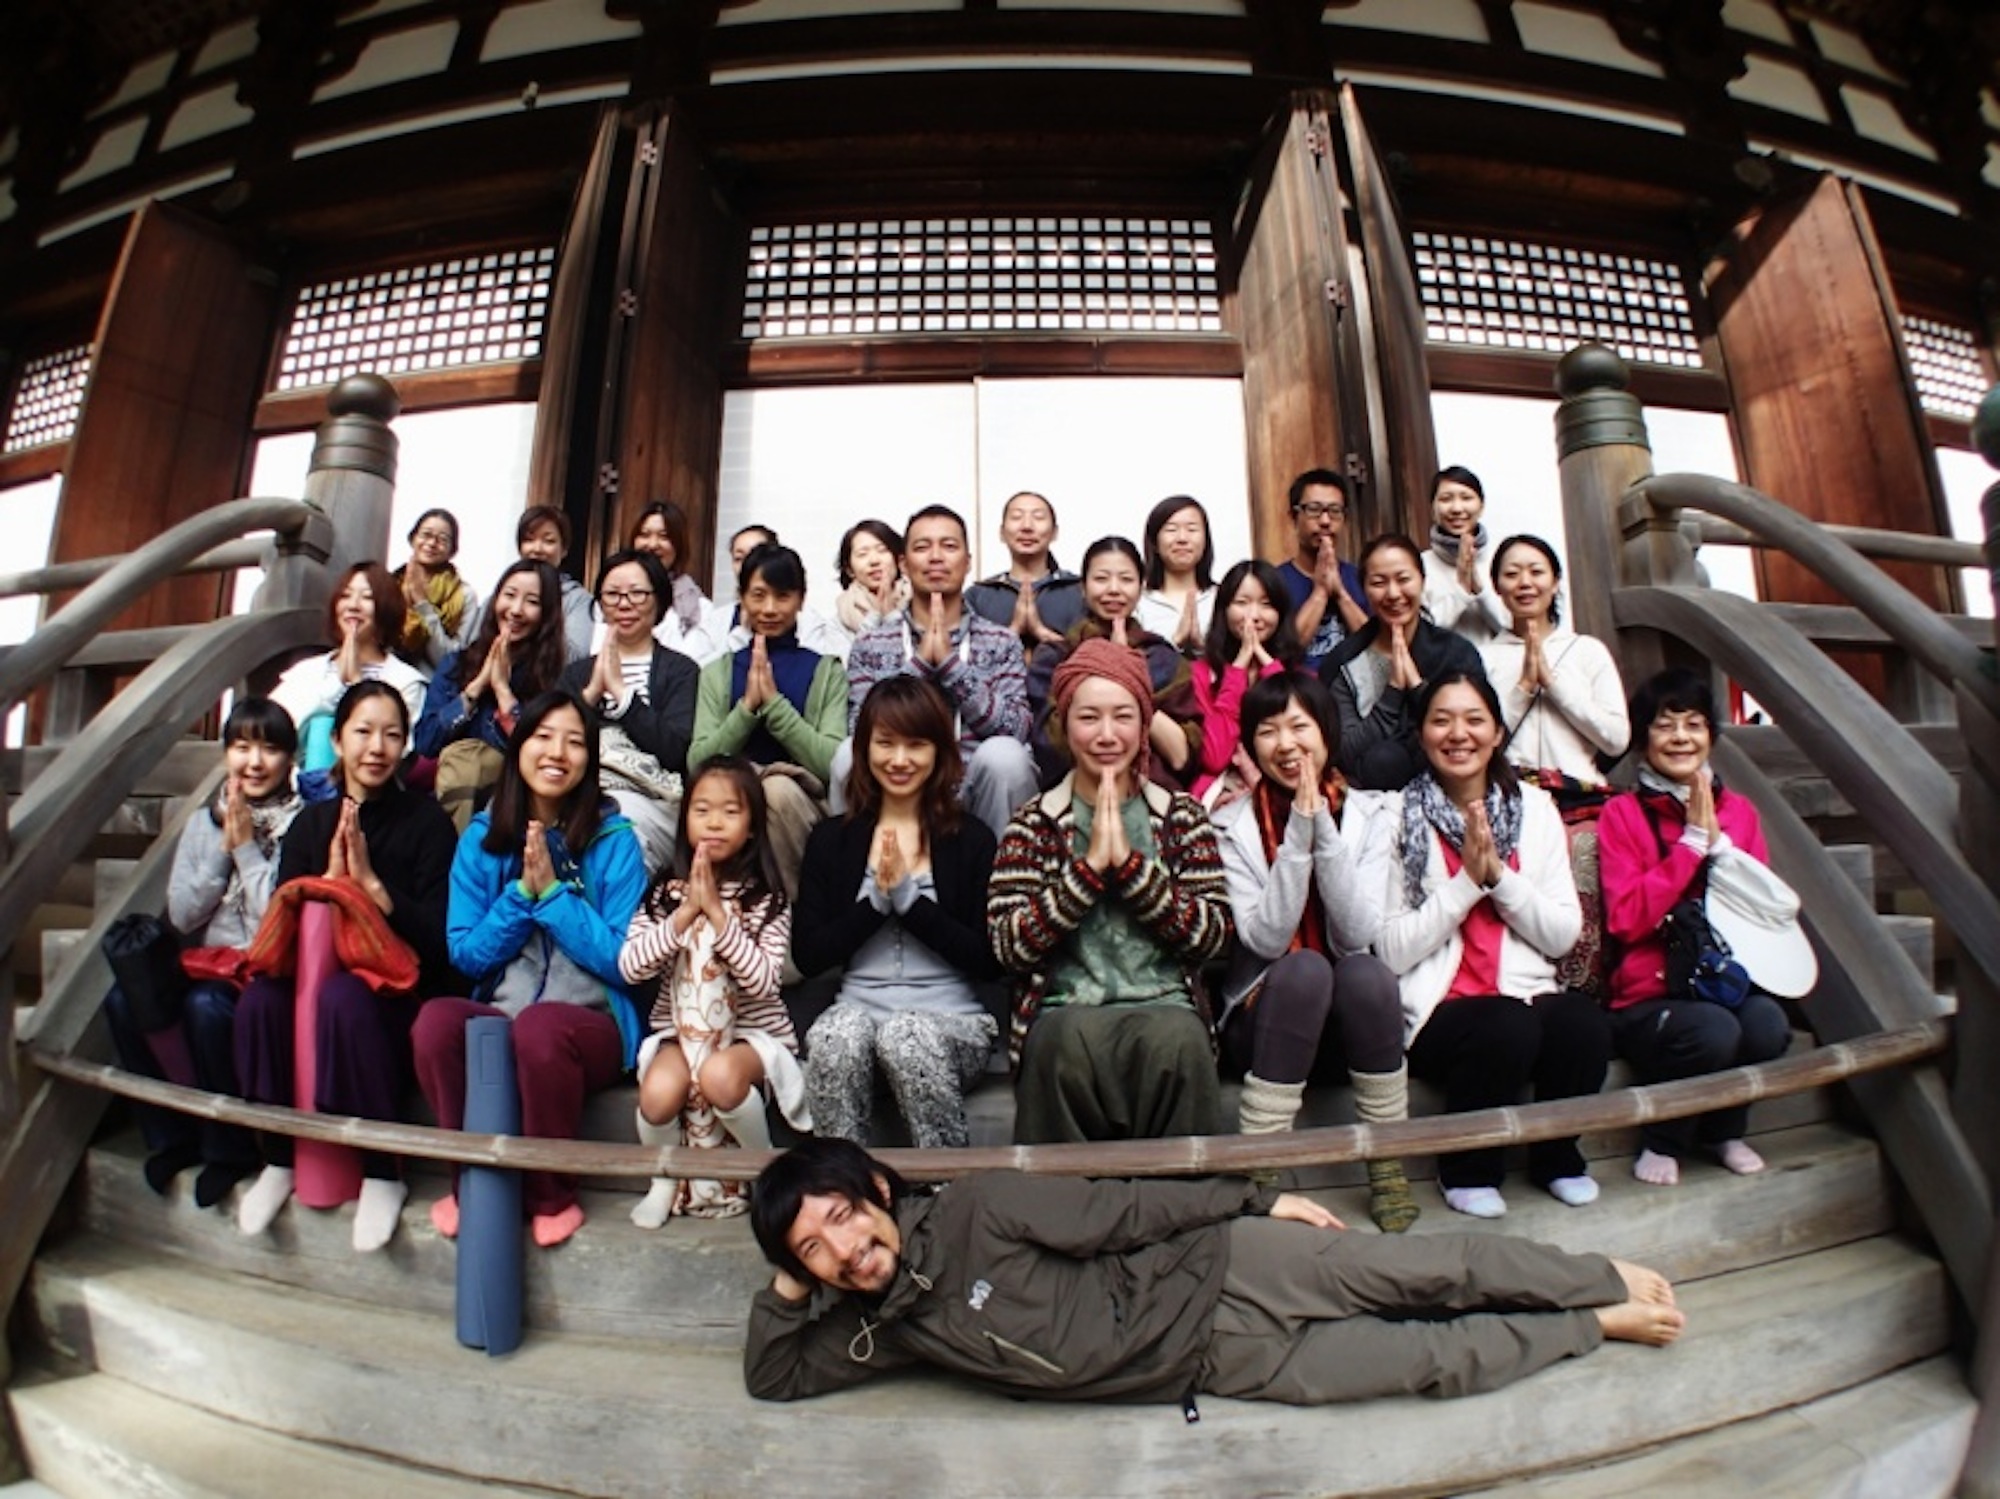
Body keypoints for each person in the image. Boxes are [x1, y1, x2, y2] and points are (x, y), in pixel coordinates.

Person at [743, 1139, 1684, 1405]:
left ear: (877, 1188)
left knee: (1424, 1271)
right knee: (1423, 1363)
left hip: (1233, 1268)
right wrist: (791, 1273)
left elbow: (1121, 1209)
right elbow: (774, 1375)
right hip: (1214, 1364)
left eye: (841, 1217)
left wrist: (1253, 1202)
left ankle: (1593, 1275)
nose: (844, 1251)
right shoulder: (884, 1329)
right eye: (816, 1251)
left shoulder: (978, 1208)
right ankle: (1588, 1324)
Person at [416, 689, 647, 1249]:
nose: (557, 753)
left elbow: (624, 960)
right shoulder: (481, 839)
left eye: (574, 742)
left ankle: (551, 1194)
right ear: (519, 747)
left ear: (590, 758)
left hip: (589, 1023)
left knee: (540, 1030)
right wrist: (522, 895)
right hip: (505, 1011)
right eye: (543, 737)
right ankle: (471, 1182)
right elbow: (465, 952)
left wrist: (554, 898)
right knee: (436, 1023)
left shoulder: (617, 842)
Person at [233, 681, 460, 1252]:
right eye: (363, 732)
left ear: (406, 745)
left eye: (391, 734)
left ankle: (383, 1167)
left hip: (396, 993)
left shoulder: (428, 823)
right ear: (336, 741)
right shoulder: (311, 825)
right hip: (312, 981)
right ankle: (279, 1155)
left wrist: (373, 891)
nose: (376, 747)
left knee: (346, 998)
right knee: (259, 1001)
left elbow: (441, 941)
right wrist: (330, 886)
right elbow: (283, 924)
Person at [1376, 671, 1606, 1221]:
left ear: (1498, 733)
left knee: (1582, 1023)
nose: (1459, 734)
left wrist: (1499, 878)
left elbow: (1561, 935)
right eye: (1441, 720)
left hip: (1525, 993)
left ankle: (1556, 1157)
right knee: (1505, 1026)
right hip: (1438, 1009)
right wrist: (1465, 885)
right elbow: (1390, 950)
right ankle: (1467, 1169)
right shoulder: (1394, 814)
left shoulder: (1536, 810)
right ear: (1421, 733)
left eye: (1474, 720)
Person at [991, 639, 1231, 1144]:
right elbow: (1009, 947)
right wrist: (1088, 872)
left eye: (1123, 717)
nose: (1106, 734)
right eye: (1088, 717)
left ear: (1144, 725)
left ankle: (1182, 1192)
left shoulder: (1181, 817)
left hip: (1166, 1005)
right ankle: (1071, 1195)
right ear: (1063, 725)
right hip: (1064, 1010)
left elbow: (1213, 939)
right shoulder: (1033, 824)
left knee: (1179, 1040)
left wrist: (1133, 870)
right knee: (1060, 1042)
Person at [1212, 673, 1416, 1232]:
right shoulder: (1229, 825)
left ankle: (1388, 1162)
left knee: (1365, 973)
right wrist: (1299, 837)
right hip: (1265, 1024)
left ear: (1326, 733)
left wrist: (1320, 826)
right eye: (1268, 731)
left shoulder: (1374, 814)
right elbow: (1266, 940)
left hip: (1352, 1031)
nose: (1286, 744)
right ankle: (1261, 1169)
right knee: (1303, 968)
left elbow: (1355, 932)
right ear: (1251, 744)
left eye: (1299, 727)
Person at [1598, 668, 1794, 1187]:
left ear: (1711, 734)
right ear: (1643, 738)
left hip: (1721, 979)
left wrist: (1721, 849)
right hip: (1649, 993)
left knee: (1768, 1024)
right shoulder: (1622, 814)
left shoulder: (1739, 813)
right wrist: (1688, 847)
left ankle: (1723, 1131)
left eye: (1694, 724)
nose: (1681, 737)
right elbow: (1625, 919)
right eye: (1664, 726)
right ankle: (1663, 1140)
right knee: (1713, 1029)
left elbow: (1760, 909)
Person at [102, 698, 302, 1206]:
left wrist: (246, 847)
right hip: (206, 962)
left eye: (269, 749)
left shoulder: (301, 822)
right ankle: (170, 1137)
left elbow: (274, 916)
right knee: (123, 1000)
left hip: (262, 967)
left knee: (206, 1008)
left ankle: (229, 1148)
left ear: (290, 758)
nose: (254, 761)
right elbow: (184, 914)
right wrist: (221, 848)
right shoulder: (202, 823)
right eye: (241, 747)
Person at [793, 676, 1001, 1149]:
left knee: (906, 1034)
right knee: (834, 1037)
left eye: (916, 745)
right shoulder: (833, 839)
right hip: (859, 1018)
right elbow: (808, 955)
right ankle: (841, 1179)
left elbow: (990, 960)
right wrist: (876, 904)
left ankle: (944, 1181)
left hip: (952, 1025)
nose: (900, 760)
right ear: (865, 748)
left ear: (940, 752)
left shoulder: (970, 838)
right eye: (885, 743)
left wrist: (910, 902)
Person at [619, 756, 805, 1226]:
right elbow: (631, 967)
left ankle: (763, 1172)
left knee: (719, 1077)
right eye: (702, 810)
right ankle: (664, 1179)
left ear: (753, 827)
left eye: (730, 811)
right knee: (658, 1092)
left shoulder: (767, 900)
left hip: (752, 1036)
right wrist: (685, 915)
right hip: (681, 1033)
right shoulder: (664, 895)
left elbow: (763, 980)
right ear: (685, 820)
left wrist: (719, 918)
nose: (714, 822)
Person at [1479, 534, 1629, 996]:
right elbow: (1479, 741)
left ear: (1556, 580)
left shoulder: (1587, 651)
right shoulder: (1485, 657)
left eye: (1536, 571)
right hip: (1517, 800)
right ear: (1497, 587)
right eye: (1512, 574)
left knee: (1586, 902)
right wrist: (1523, 688)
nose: (1525, 582)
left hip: (1583, 800)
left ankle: (1588, 1003)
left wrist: (1557, 685)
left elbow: (1616, 737)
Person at [840, 505, 1038, 838]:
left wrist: (952, 667)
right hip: (894, 784)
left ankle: (1006, 870)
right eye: (922, 547)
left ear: (968, 561)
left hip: (974, 790)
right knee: (845, 757)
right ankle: (859, 866)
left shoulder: (1001, 641)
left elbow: (1017, 730)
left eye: (948, 546)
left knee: (1006, 757)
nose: (935, 557)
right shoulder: (872, 643)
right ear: (903, 564)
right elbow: (861, 732)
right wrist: (918, 665)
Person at [690, 543, 847, 899]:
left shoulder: (826, 671)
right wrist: (747, 708)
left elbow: (831, 762)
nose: (770, 608)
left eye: (783, 596)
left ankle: (788, 913)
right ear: (742, 598)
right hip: (727, 800)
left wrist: (775, 706)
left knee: (774, 791)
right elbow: (698, 760)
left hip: (799, 803)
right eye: (758, 595)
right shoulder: (718, 672)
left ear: (801, 599)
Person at [558, 548, 699, 877]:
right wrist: (590, 695)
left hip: (648, 796)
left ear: (659, 600)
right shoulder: (577, 673)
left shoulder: (681, 671)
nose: (624, 604)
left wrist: (624, 698)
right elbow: (553, 737)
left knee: (615, 834)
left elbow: (676, 750)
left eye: (637, 593)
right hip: (577, 786)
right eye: (612, 594)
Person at [1025, 536, 1200, 789]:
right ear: (1083, 587)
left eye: (1126, 579)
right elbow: (1049, 748)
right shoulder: (1054, 657)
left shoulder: (1162, 657)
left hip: (1152, 795)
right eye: (1101, 579)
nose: (1114, 589)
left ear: (1141, 587)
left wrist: (1127, 673)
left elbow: (1181, 757)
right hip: (1073, 795)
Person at [1319, 534, 1487, 792]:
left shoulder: (1455, 653)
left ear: (1422, 580)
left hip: (1451, 790)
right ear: (1364, 589)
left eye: (1403, 579)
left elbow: (1476, 731)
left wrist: (1418, 687)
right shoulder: (1344, 661)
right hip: (1369, 800)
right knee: (1385, 759)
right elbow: (1343, 752)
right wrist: (1394, 690)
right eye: (1379, 582)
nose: (1393, 593)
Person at [416, 559, 571, 832]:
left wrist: (502, 692)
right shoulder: (457, 664)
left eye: (532, 602)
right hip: (447, 802)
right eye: (509, 595)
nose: (516, 610)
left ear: (547, 614)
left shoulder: (557, 678)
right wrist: (475, 689)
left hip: (517, 805)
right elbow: (426, 741)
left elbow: (543, 753)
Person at [269, 562, 427, 794]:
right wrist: (336, 686)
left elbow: (401, 752)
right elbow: (272, 729)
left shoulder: (406, 682)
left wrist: (357, 686)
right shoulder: (307, 671)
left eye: (367, 597)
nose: (353, 605)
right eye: (345, 595)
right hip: (293, 792)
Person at [1188, 560, 1299, 800]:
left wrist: (1269, 668)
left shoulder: (1300, 675)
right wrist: (1237, 670)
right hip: (1222, 795)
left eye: (1266, 604)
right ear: (1224, 609)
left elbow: (1296, 747)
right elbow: (1215, 758)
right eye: (1242, 603)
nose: (1254, 616)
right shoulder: (1199, 674)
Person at [1275, 469, 1368, 673]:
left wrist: (1341, 595)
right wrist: (1320, 593)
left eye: (1334, 511)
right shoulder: (1275, 582)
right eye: (1314, 510)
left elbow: (1377, 649)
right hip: (1298, 690)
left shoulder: (1361, 578)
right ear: (1294, 517)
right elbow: (1282, 656)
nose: (1325, 521)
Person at [964, 490, 1084, 648]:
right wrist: (1014, 630)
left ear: (1054, 533)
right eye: (1016, 517)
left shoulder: (1080, 591)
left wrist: (1040, 632)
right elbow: (965, 658)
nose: (1027, 526)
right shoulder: (978, 595)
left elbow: (1095, 655)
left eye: (1038, 517)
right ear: (1002, 533)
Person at [630, 500, 728, 663]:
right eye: (644, 535)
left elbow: (695, 662)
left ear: (679, 545)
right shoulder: (615, 598)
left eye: (664, 536)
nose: (653, 544)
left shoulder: (698, 609)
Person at [1422, 467, 1509, 645]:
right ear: (1432, 508)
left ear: (1481, 507)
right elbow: (1422, 634)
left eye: (1466, 498)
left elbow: (1512, 629)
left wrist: (1479, 590)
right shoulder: (1420, 565)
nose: (1456, 508)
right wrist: (1461, 591)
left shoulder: (1502, 559)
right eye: (1446, 499)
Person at [393, 508, 479, 672]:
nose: (432, 543)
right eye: (426, 535)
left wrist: (422, 604)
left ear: (452, 550)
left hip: (432, 682)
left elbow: (451, 660)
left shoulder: (464, 595)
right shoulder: (391, 583)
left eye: (442, 539)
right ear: (413, 538)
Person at [512, 505, 595, 662]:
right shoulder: (504, 591)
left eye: (548, 541)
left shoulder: (577, 599)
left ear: (564, 550)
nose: (537, 549)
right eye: (529, 540)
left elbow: (576, 657)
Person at [1136, 494, 1216, 654]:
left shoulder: (1224, 598)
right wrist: (1176, 641)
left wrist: (1201, 647)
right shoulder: (1137, 602)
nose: (1182, 538)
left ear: (1205, 541)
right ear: (1154, 542)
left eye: (1192, 529)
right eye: (1171, 530)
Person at [832, 519, 909, 644]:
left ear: (899, 560)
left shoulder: (921, 603)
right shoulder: (838, 623)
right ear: (850, 570)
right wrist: (876, 616)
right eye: (863, 554)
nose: (874, 561)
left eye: (882, 550)